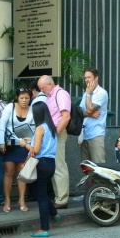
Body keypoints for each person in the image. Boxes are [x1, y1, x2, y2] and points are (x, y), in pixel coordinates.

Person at [23, 102, 61, 238]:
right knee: (43, 192)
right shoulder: (52, 128)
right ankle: (54, 214)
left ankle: (44, 228)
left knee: (41, 197)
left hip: (41, 163)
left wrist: (25, 145)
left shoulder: (39, 128)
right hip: (51, 163)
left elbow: (36, 150)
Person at [38, 75, 71, 209]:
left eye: (42, 88)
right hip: (52, 132)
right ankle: (58, 197)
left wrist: (55, 134)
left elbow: (66, 116)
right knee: (54, 165)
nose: (41, 91)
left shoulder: (60, 94)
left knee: (59, 165)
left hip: (57, 132)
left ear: (50, 84)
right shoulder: (51, 96)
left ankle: (62, 199)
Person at [0, 87, 33, 213]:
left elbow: (34, 127)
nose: (24, 100)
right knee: (9, 171)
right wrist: (1, 142)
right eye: (22, 98)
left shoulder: (32, 109)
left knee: (21, 172)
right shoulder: (10, 107)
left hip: (24, 145)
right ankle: (7, 200)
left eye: (27, 98)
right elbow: (2, 125)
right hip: (11, 144)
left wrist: (32, 140)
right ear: (17, 98)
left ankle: (21, 200)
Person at [80, 68, 109, 163]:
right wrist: (89, 114)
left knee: (99, 167)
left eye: (89, 77)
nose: (87, 80)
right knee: (86, 167)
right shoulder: (86, 93)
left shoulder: (101, 92)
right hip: (84, 134)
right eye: (85, 78)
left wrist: (88, 94)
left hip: (96, 134)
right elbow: (80, 112)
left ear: (96, 78)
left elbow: (90, 108)